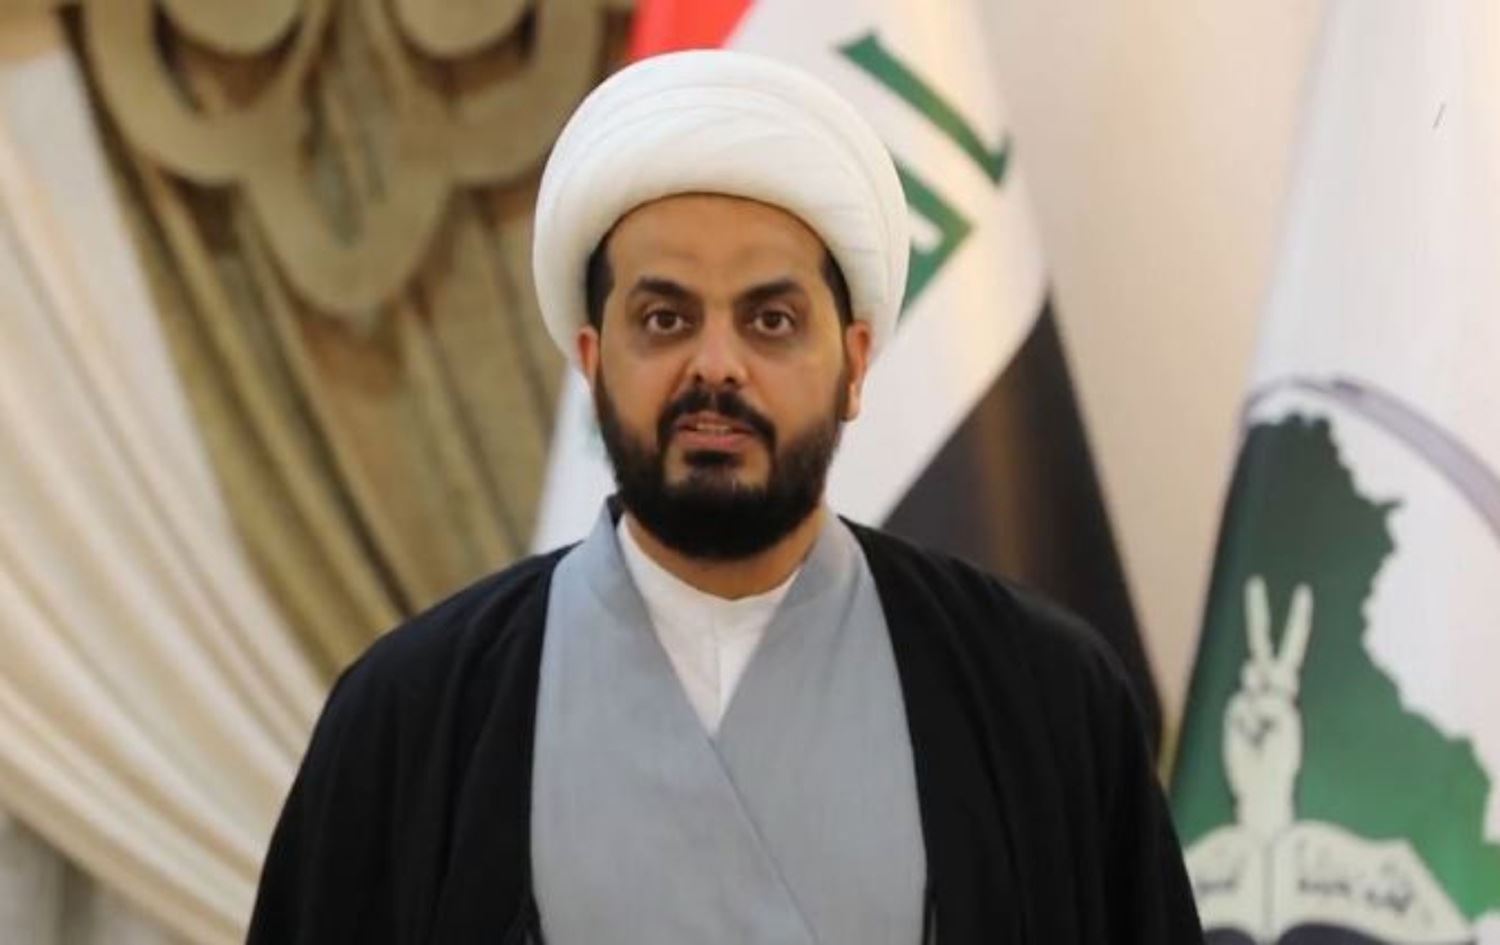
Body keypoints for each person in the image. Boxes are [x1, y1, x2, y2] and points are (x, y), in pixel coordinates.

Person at [248, 49, 1202, 945]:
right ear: (592, 360)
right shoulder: (412, 717)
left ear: (854, 364)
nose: (716, 365)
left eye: (771, 320)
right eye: (664, 318)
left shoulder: (1043, 700)